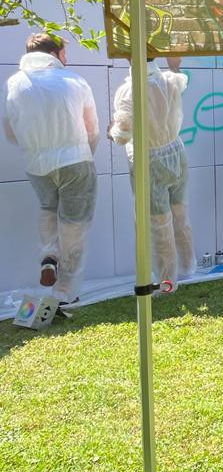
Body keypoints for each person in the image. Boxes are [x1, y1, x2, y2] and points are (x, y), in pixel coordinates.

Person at [3, 33, 99, 304]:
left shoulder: (15, 82)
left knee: (48, 209)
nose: (67, 59)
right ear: (55, 53)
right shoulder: (74, 81)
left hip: (36, 165)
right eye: (64, 53)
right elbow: (91, 129)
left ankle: (49, 256)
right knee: (74, 224)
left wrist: (34, 148)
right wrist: (85, 155)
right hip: (75, 160)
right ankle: (66, 291)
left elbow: (10, 130)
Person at [110, 56, 194, 289]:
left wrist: (112, 131)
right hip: (176, 152)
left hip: (150, 159)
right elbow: (182, 79)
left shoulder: (128, 91)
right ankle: (189, 267)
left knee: (159, 223)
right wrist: (175, 64)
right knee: (180, 213)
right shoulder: (170, 79)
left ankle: (168, 282)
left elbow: (122, 136)